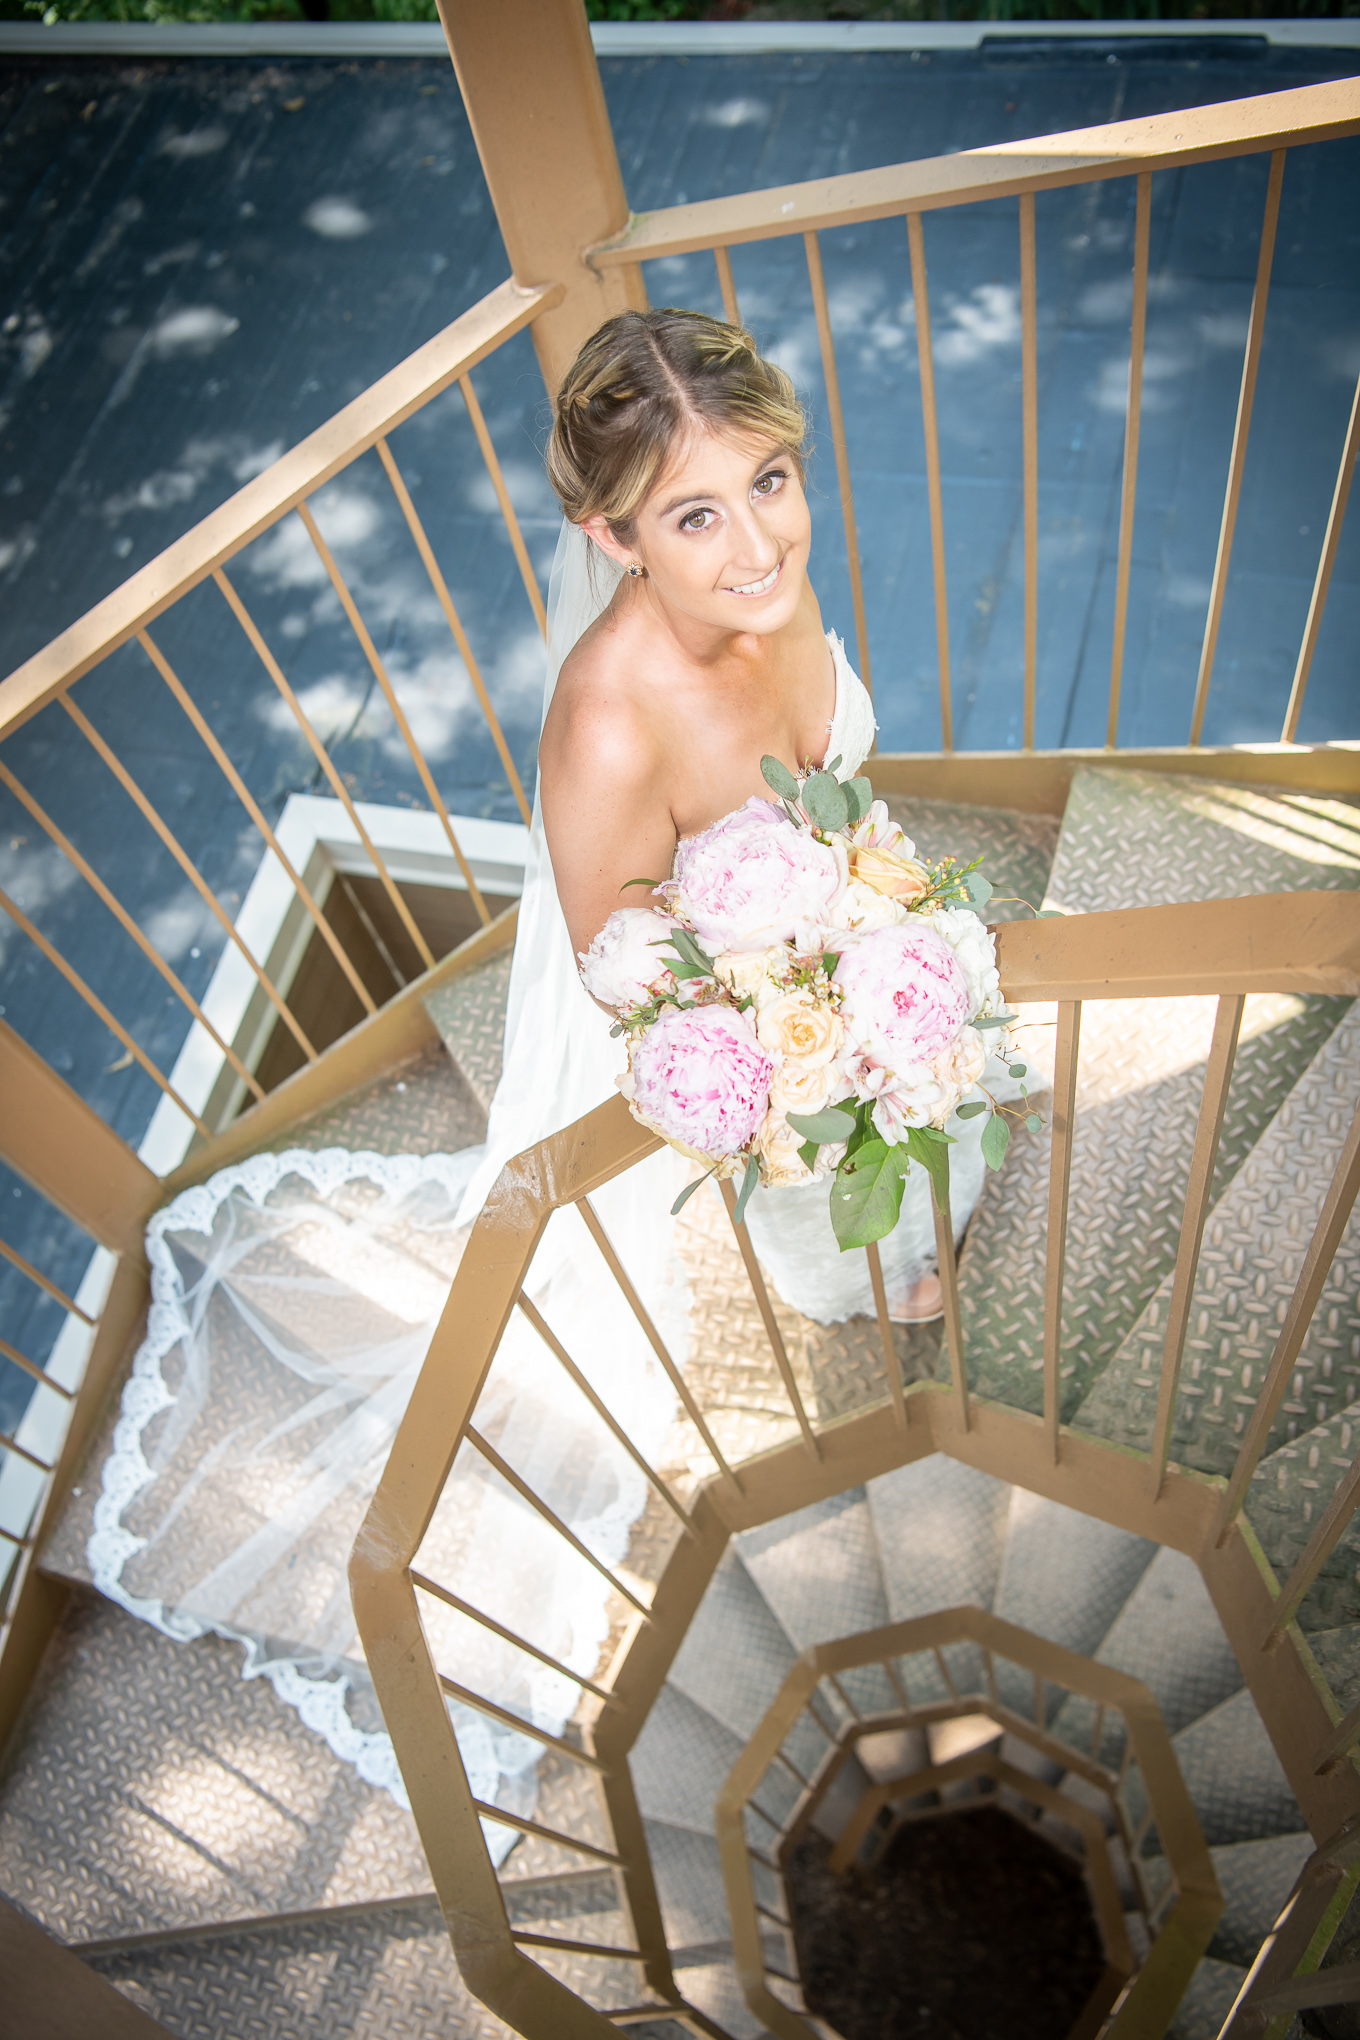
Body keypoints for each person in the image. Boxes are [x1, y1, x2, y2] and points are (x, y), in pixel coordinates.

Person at [463, 306, 996, 1324]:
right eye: (692, 515)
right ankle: (857, 1284)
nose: (758, 546)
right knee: (855, 1242)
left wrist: (880, 952)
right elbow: (630, 983)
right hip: (773, 1052)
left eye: (768, 481)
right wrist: (820, 1039)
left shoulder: (756, 583)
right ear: (613, 536)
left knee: (952, 1111)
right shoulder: (611, 734)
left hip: (872, 962)